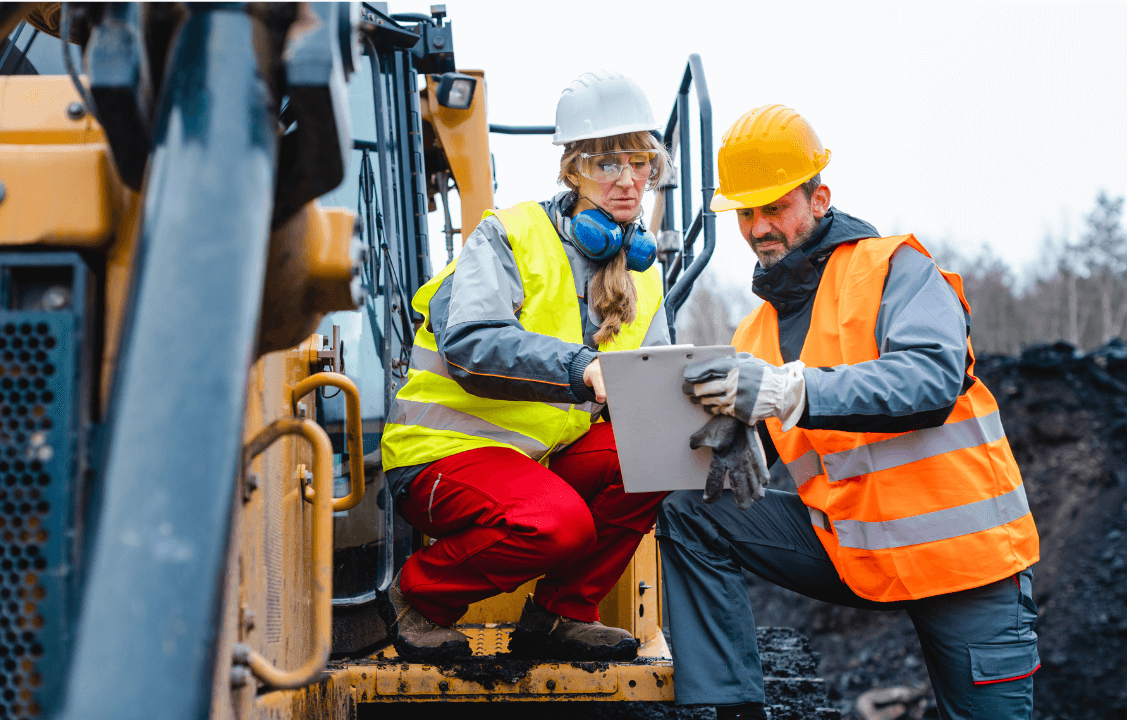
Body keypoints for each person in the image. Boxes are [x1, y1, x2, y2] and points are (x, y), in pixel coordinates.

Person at [657, 105, 1041, 720]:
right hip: (854, 552)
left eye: (775, 207)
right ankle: (730, 709)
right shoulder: (754, 334)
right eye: (746, 214)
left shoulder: (894, 269)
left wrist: (788, 393)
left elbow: (930, 380)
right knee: (691, 513)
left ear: (818, 198)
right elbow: (758, 430)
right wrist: (734, 436)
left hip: (966, 561)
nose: (759, 228)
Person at [379, 70, 673, 663]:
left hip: (531, 464)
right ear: (573, 170)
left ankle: (560, 615)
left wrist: (717, 414)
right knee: (559, 523)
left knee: (655, 449)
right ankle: (420, 597)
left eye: (640, 162)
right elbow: (469, 341)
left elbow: (658, 389)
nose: (626, 179)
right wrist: (580, 366)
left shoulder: (643, 274)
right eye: (606, 163)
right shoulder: (507, 237)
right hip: (440, 457)